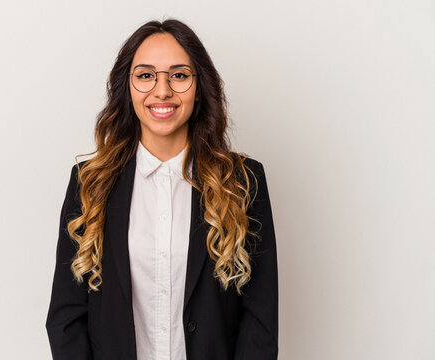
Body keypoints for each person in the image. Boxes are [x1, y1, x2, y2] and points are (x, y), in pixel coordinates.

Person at [46, 18, 278, 360]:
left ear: (199, 87)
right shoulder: (89, 181)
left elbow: (260, 320)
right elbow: (66, 316)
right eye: (145, 75)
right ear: (127, 87)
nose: (162, 90)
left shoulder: (243, 182)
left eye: (179, 75)